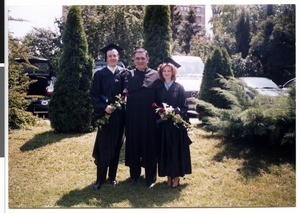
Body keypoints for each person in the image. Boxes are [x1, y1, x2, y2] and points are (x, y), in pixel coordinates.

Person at [90, 43, 127, 189]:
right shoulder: (99, 74)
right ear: (106, 58)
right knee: (104, 146)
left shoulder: (124, 73)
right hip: (105, 116)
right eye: (110, 56)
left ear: (118, 57)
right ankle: (100, 179)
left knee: (117, 146)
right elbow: (93, 95)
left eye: (115, 55)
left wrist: (119, 102)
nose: (112, 58)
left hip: (119, 116)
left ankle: (112, 177)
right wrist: (104, 107)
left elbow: (126, 91)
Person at [124, 48, 159, 188]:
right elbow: (122, 92)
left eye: (142, 58)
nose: (140, 60)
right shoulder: (128, 74)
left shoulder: (156, 75)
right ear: (133, 60)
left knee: (150, 146)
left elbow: (160, 96)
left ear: (147, 59)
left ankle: (150, 177)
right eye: (137, 58)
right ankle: (134, 175)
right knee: (133, 145)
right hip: (132, 117)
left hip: (150, 118)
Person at [155, 57, 192, 188]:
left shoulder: (179, 87)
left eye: (169, 71)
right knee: (166, 150)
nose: (166, 73)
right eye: (164, 70)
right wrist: (160, 113)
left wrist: (178, 113)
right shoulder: (158, 87)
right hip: (164, 125)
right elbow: (155, 105)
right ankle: (168, 176)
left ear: (173, 72)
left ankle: (176, 177)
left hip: (176, 126)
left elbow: (184, 106)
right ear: (161, 72)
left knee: (176, 150)